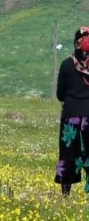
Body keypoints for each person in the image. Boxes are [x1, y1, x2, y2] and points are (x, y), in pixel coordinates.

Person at [55, 26, 89, 196]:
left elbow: (60, 94)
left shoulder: (67, 64)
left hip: (71, 117)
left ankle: (66, 194)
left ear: (75, 43)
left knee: (68, 154)